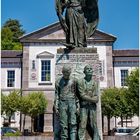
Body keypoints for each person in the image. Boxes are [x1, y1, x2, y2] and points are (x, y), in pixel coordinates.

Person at [54, 65, 79, 140]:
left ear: (70, 72)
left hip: (72, 102)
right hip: (62, 103)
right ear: (62, 72)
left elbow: (77, 94)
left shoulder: (74, 80)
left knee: (73, 124)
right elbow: (57, 94)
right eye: (64, 73)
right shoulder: (58, 81)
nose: (66, 74)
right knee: (63, 124)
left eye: (67, 73)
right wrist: (56, 105)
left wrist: (78, 106)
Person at [77, 64, 100, 140]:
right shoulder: (80, 82)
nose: (90, 70)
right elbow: (82, 96)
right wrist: (91, 98)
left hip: (92, 107)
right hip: (83, 107)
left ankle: (96, 138)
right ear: (84, 72)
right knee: (82, 124)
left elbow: (96, 98)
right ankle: (81, 138)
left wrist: (88, 99)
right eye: (87, 69)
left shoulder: (95, 83)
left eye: (91, 69)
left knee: (94, 124)